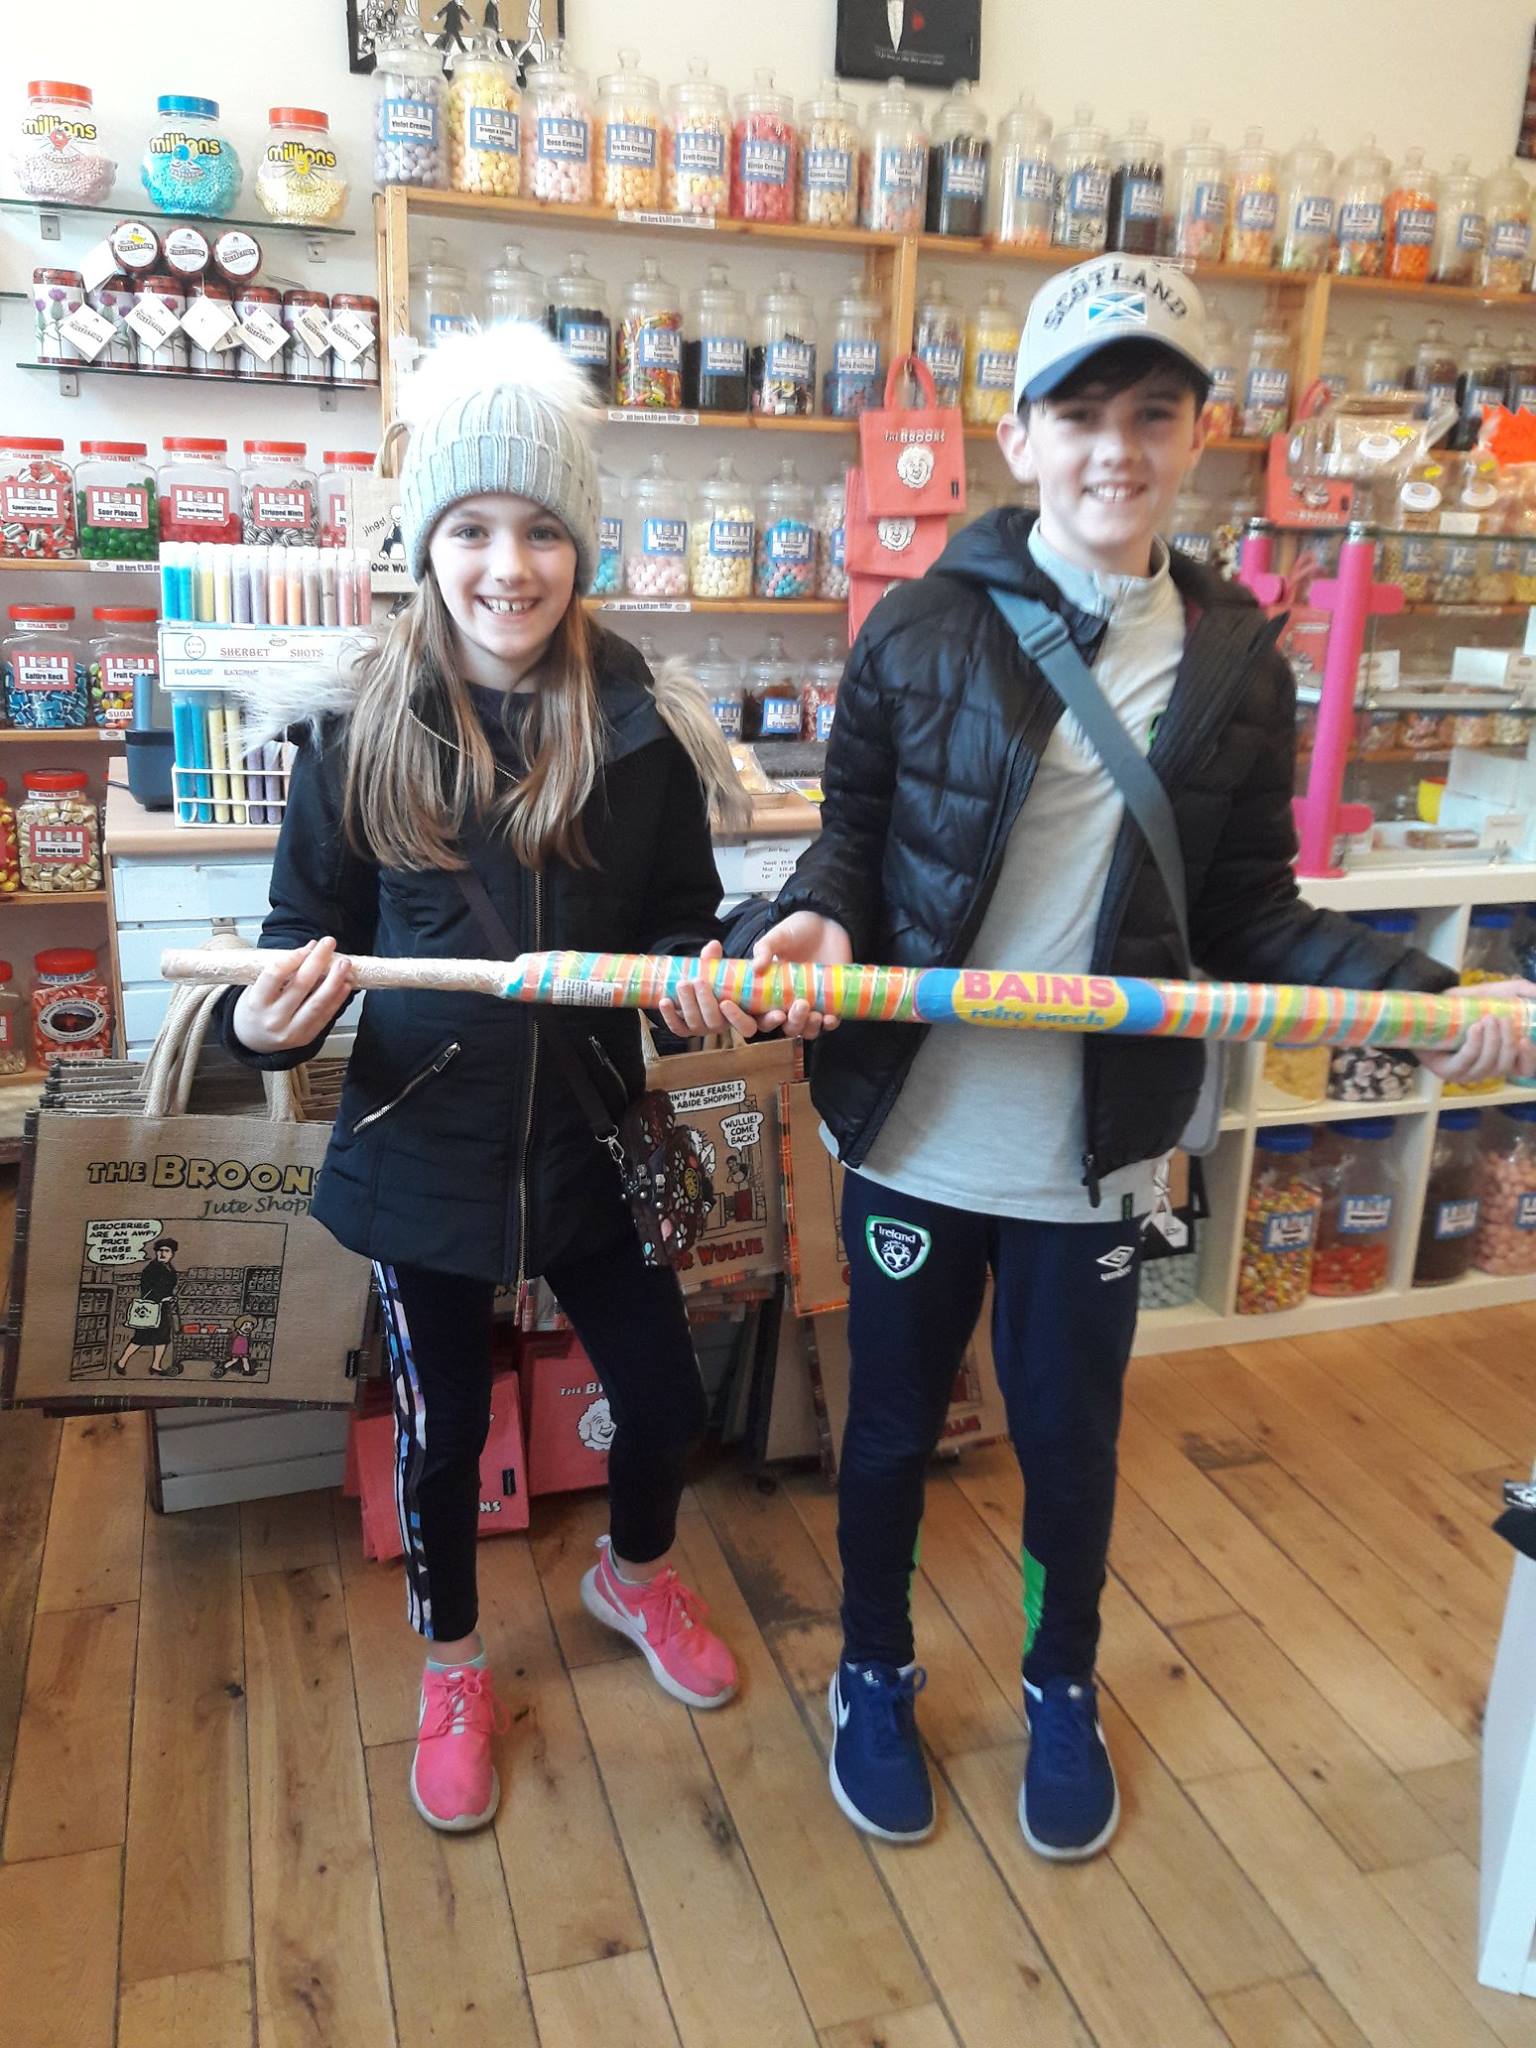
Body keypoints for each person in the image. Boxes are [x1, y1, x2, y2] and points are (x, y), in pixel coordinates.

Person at [730, 255, 1536, 1860]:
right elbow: (852, 845)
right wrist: (812, 921)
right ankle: (873, 1672)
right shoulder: (919, 629)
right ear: (1020, 437)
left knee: (1070, 1441)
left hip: (1092, 1148)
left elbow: (1248, 914)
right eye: (1081, 413)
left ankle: (1060, 1684)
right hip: (918, 1125)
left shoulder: (1237, 659)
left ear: (1198, 437)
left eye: (1153, 414)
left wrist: (1424, 992)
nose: (1116, 448)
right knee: (885, 1431)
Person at [216, 323, 754, 1836]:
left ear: (580, 545)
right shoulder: (355, 734)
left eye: (540, 530)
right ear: (424, 545)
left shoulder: (642, 732)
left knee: (665, 1392)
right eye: (470, 530)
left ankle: (634, 1574)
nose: (507, 567)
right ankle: (453, 1664)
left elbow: (680, 924)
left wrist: (695, 981)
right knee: (443, 1434)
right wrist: (271, 1018)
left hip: (594, 1134)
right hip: (423, 1146)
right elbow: (294, 947)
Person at [113, 1235, 181, 1378]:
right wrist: (163, 1298)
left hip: (163, 1308)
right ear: (156, 1252)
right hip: (149, 1308)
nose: (163, 1253)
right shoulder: (152, 1268)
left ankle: (156, 1365)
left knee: (163, 1337)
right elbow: (147, 1289)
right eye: (160, 1250)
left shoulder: (170, 1269)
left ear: (172, 1253)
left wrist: (169, 1297)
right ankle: (121, 1362)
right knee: (141, 1337)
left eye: (167, 1251)